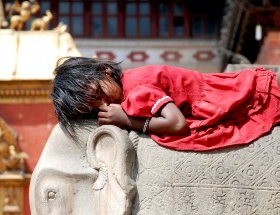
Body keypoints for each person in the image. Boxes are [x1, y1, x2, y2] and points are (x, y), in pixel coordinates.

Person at [51, 56, 280, 151]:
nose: (102, 104)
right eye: (92, 109)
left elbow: (177, 124)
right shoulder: (129, 87)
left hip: (238, 97)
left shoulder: (137, 90)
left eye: (98, 93)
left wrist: (127, 120)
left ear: (105, 71)